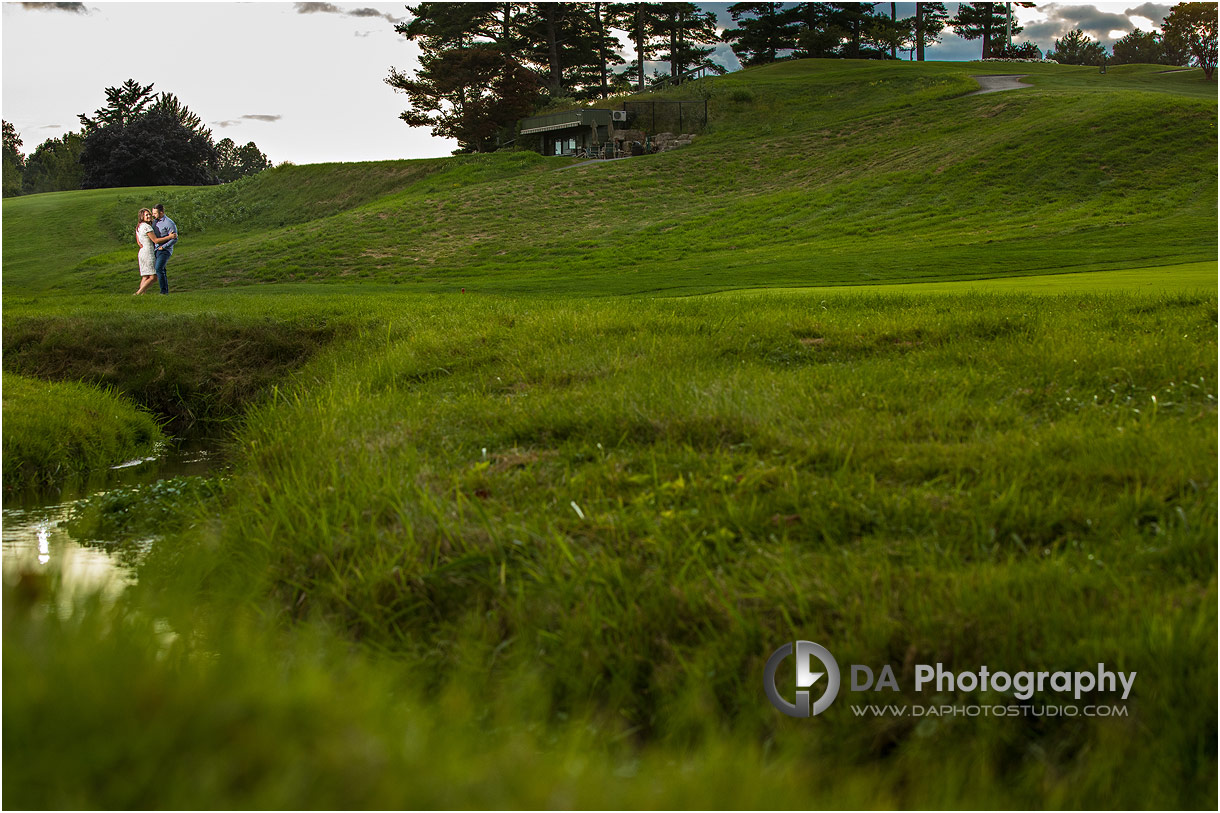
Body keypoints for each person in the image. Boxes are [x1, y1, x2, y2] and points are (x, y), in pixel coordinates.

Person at [134, 208, 176, 295]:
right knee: (153, 277)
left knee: (145, 276)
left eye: (149, 214)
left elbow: (138, 242)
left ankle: (142, 294)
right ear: (142, 217)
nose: (149, 216)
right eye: (146, 215)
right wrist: (170, 237)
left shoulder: (139, 226)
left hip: (142, 252)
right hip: (148, 252)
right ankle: (138, 293)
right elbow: (156, 240)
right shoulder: (147, 227)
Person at [151, 203, 178, 294]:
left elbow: (174, 239)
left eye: (155, 213)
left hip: (165, 250)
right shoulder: (154, 221)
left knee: (158, 268)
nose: (153, 215)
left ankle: (163, 292)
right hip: (156, 248)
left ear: (161, 212)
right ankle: (165, 291)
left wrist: (164, 247)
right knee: (162, 269)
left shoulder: (169, 223)